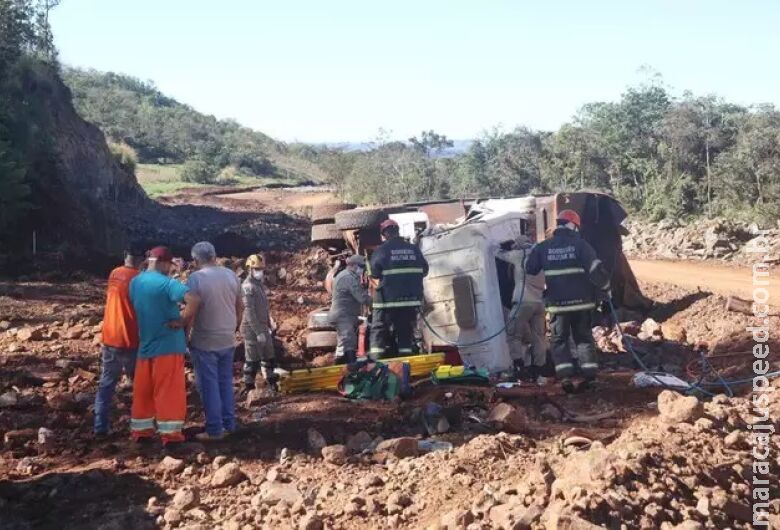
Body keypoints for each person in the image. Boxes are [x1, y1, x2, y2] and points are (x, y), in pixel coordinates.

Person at [525, 210, 610, 393]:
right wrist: (606, 287)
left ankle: (565, 378)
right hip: (582, 303)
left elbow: (530, 269)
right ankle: (590, 378)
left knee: (559, 340)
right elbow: (596, 270)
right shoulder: (581, 245)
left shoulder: (544, 247)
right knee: (584, 339)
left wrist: (532, 251)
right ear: (573, 225)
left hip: (558, 305)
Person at [129, 246, 199, 446]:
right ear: (164, 263)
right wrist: (182, 320)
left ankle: (142, 431)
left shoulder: (135, 282)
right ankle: (171, 435)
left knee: (143, 390)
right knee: (168, 390)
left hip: (145, 345)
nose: (170, 269)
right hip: (168, 345)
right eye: (170, 265)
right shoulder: (167, 284)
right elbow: (194, 299)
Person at [187, 241, 243, 442]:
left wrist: (186, 335)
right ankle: (229, 423)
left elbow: (191, 311)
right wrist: (234, 327)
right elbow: (240, 306)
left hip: (205, 340)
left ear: (195, 260)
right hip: (227, 338)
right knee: (225, 382)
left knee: (209, 385)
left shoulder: (195, 279)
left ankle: (214, 429)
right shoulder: (231, 275)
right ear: (214, 255)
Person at [93, 245, 145, 436]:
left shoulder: (114, 273)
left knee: (106, 384)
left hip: (110, 337)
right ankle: (142, 426)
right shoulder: (139, 280)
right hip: (131, 340)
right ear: (142, 259)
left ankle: (100, 426)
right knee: (140, 386)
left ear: (125, 255)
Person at [369, 219, 429, 359]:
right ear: (398, 231)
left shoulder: (381, 251)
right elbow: (425, 270)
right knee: (405, 329)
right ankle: (405, 359)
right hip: (410, 300)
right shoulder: (413, 249)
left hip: (387, 300)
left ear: (384, 234)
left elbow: (375, 273)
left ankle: (375, 359)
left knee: (379, 327)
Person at [497, 235, 547, 383]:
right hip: (539, 302)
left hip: (522, 302)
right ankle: (539, 372)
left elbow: (498, 254)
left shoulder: (520, 255)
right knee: (539, 338)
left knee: (513, 335)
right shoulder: (540, 256)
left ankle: (519, 368)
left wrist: (506, 246)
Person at [240, 253, 278, 393]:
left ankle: (272, 384)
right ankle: (248, 388)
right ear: (249, 269)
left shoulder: (259, 285)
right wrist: (258, 332)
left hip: (262, 325)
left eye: (261, 269)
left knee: (269, 356)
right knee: (252, 359)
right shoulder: (247, 287)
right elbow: (249, 312)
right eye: (257, 269)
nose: (260, 272)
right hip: (251, 328)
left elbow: (264, 307)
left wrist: (269, 323)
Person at [328, 254, 372, 365]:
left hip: (343, 314)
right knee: (349, 339)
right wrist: (378, 301)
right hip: (343, 315)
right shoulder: (348, 278)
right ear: (353, 266)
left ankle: (340, 363)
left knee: (343, 342)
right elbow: (361, 298)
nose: (362, 270)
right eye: (361, 266)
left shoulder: (346, 275)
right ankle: (351, 364)